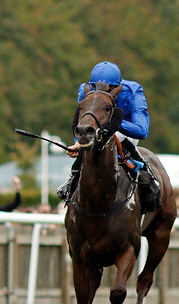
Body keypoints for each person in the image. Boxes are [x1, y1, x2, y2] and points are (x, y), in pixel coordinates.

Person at [56, 61, 160, 212]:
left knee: (117, 139)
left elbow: (142, 130)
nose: (99, 91)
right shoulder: (84, 90)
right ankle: (72, 180)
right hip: (96, 130)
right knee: (91, 147)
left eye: (107, 88)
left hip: (125, 131)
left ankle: (146, 179)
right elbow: (82, 122)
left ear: (116, 87)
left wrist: (111, 122)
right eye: (94, 87)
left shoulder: (133, 90)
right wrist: (78, 143)